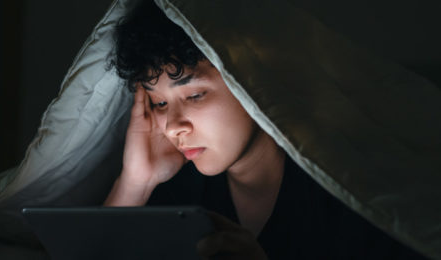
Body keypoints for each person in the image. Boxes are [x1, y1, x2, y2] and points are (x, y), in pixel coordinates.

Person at [103, 1, 426, 259]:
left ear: (251, 83)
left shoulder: (353, 198)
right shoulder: (178, 195)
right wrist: (135, 183)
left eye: (195, 95)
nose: (173, 127)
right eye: (159, 104)